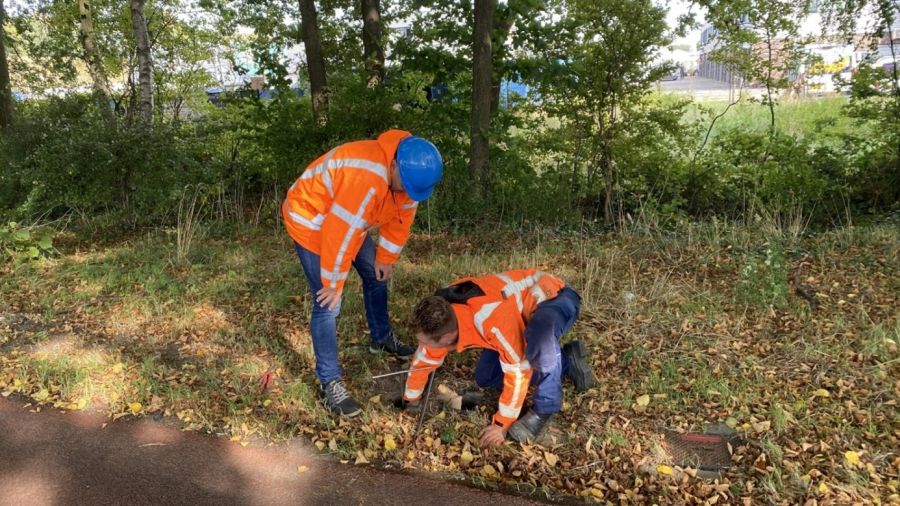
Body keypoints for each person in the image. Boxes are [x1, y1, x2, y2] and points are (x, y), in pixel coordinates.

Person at [283, 129, 443, 417]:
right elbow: (339, 231)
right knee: (328, 303)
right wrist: (333, 283)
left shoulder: (410, 178)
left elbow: (400, 220)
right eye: (404, 186)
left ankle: (380, 338)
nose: (408, 193)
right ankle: (329, 381)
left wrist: (386, 258)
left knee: (376, 275)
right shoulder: (367, 178)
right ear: (393, 165)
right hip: (311, 219)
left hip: (350, 220)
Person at [402, 269, 595, 447]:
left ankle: (545, 407)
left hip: (555, 298)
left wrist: (502, 424)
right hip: (513, 316)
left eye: (427, 342)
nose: (424, 345)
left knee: (538, 340)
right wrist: (411, 399)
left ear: (445, 338)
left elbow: (517, 371)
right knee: (486, 377)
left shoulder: (492, 321)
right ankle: (568, 361)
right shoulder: (443, 312)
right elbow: (425, 359)